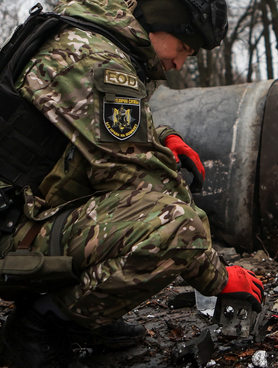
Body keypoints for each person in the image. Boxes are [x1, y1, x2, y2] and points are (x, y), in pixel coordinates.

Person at [0, 0, 263, 367]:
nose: (178, 64)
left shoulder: (88, 34)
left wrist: (164, 136)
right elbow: (144, 185)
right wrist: (218, 277)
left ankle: (86, 314)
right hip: (10, 230)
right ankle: (40, 325)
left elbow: (86, 125)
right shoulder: (97, 60)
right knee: (172, 226)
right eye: (184, 49)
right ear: (160, 22)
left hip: (18, 210)